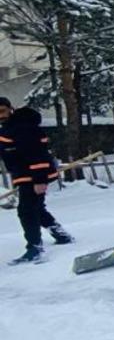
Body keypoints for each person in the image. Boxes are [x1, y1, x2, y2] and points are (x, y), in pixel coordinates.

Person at [0, 97, 73, 264]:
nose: (0, 116)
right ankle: (61, 235)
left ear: (11, 108)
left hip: (33, 176)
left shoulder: (22, 127)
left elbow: (36, 153)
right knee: (36, 208)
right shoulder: (10, 127)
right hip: (24, 175)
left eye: (2, 111)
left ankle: (34, 248)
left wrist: (39, 180)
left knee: (26, 211)